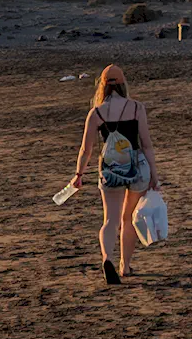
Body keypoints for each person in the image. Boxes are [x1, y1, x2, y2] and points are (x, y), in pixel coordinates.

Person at [69, 65, 161, 285]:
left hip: (110, 170)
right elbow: (146, 145)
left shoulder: (96, 112)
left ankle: (107, 258)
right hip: (137, 167)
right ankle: (125, 267)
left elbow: (86, 149)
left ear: (102, 85)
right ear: (122, 84)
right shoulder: (137, 108)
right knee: (127, 218)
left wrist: (78, 175)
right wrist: (154, 175)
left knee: (110, 220)